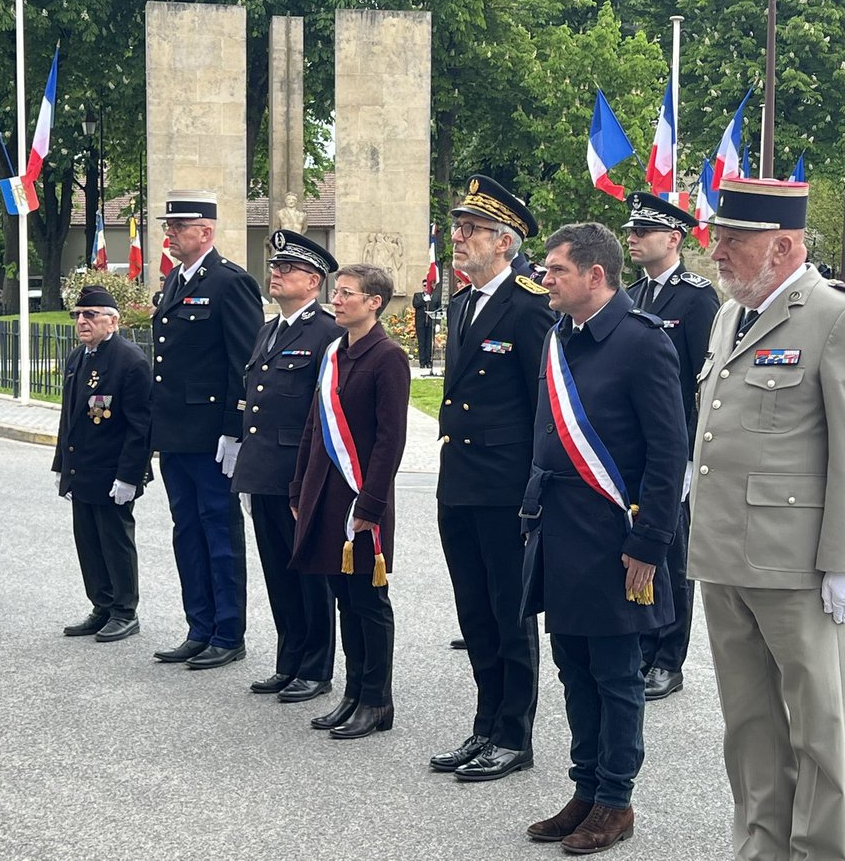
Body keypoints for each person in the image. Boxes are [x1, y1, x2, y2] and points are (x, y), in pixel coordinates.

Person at [688, 177, 845, 861]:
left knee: (818, 727)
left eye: (733, 240)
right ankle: (760, 847)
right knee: (748, 724)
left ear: (783, 245)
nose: (717, 250)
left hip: (797, 564)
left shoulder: (840, 317)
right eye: (719, 236)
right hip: (724, 557)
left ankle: (817, 852)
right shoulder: (728, 316)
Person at [521, 222, 687, 853]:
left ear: (595, 274)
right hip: (560, 530)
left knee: (616, 673)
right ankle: (585, 788)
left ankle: (616, 800)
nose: (546, 279)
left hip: (617, 536)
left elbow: (668, 451)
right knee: (573, 668)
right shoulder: (559, 338)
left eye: (557, 270)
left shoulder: (643, 343)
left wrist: (650, 542)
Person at [431, 174, 554, 782]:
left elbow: (543, 409)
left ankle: (514, 733)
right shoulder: (461, 303)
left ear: (505, 242)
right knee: (474, 612)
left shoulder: (531, 307)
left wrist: (535, 491)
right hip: (459, 481)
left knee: (511, 614)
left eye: (471, 230)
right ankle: (485, 724)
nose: (458, 237)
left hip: (505, 487)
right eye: (457, 227)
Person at [289, 263, 410, 738]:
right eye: (336, 293)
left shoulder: (388, 357)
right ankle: (354, 692)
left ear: (374, 302)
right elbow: (313, 426)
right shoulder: (335, 352)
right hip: (325, 493)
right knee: (343, 597)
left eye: (346, 294)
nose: (336, 300)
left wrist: (372, 505)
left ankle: (378, 701)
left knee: (368, 600)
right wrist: (299, 486)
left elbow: (389, 440)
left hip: (362, 498)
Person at [151, 190, 264, 670]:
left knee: (219, 530)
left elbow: (245, 361)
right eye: (168, 227)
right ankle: (198, 626)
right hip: (175, 433)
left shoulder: (229, 283)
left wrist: (234, 429)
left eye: (179, 227)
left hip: (211, 434)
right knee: (187, 531)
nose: (170, 234)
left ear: (206, 232)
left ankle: (227, 631)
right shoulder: (175, 280)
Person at [232, 230, 341, 703]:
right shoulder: (268, 329)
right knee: (278, 571)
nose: (275, 274)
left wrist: (312, 481)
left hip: (300, 475)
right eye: (275, 267)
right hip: (264, 471)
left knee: (309, 573)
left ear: (313, 281)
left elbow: (326, 414)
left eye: (287, 269)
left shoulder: (328, 333)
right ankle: (289, 659)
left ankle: (316, 668)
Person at [622, 191, 720, 701]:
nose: (632, 239)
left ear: (674, 239)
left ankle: (668, 657)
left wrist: (690, 454)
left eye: (643, 232)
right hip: (635, 447)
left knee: (675, 553)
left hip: (676, 444)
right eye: (631, 231)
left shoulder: (697, 296)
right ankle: (641, 642)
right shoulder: (635, 294)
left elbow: (706, 380)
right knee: (639, 544)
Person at [52, 286, 152, 642]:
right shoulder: (79, 357)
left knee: (115, 539)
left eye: (91, 314)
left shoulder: (129, 360)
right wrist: (62, 465)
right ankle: (102, 604)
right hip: (83, 467)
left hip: (113, 469)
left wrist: (129, 476)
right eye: (78, 314)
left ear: (113, 320)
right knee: (89, 541)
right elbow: (70, 417)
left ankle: (125, 610)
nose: (82, 321)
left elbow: (140, 426)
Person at [411, 277, 440, 370]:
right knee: (422, 342)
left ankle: (429, 362)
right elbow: (415, 304)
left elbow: (438, 309)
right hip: (421, 323)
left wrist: (438, 323)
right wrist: (424, 300)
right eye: (424, 286)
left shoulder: (435, 296)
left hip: (431, 323)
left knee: (429, 343)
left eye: (427, 286)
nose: (426, 288)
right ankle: (422, 362)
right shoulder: (417, 295)